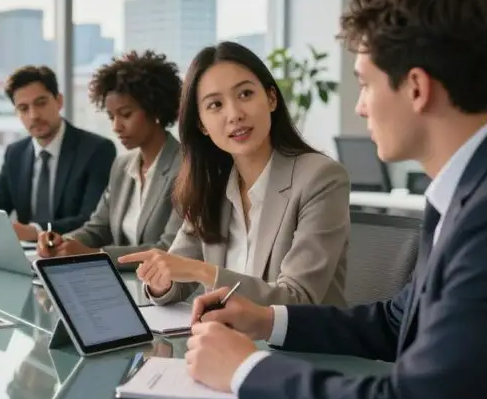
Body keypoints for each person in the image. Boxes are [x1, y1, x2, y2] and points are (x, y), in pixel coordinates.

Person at [185, 0, 487, 399]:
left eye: (366, 85)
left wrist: (245, 370)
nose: (361, 106)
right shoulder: (481, 186)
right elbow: (397, 323)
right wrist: (265, 320)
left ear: (416, 88)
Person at [125, 41, 349, 308]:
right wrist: (161, 281)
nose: (234, 114)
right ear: (202, 125)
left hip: (300, 347)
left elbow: (297, 299)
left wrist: (201, 271)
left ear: (271, 98)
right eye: (215, 105)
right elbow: (178, 276)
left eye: (245, 94)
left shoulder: (320, 178)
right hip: (225, 340)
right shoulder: (212, 183)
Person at [37, 50, 184, 268]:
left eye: (125, 115)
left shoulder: (186, 167)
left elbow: (169, 248)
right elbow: (98, 227)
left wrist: (96, 255)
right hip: (126, 285)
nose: (116, 127)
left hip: (167, 292)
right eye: (111, 117)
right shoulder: (123, 166)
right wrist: (64, 241)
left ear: (155, 110)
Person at [0, 65, 116, 242]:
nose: (34, 115)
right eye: (23, 108)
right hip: (26, 256)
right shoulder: (15, 153)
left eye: (41, 103)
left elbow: (92, 220)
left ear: (59, 101)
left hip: (73, 255)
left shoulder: (97, 150)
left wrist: (36, 231)